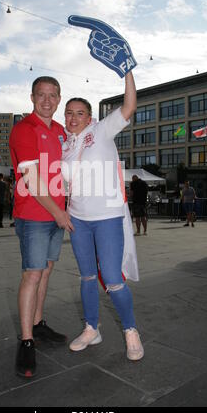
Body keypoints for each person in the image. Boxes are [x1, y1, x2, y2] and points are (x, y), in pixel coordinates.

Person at [61, 71, 144, 361]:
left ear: (89, 117)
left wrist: (128, 71)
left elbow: (129, 105)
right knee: (86, 276)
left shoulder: (101, 130)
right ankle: (91, 328)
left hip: (107, 216)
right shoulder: (65, 146)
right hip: (78, 220)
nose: (73, 118)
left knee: (111, 277)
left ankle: (131, 331)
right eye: (68, 113)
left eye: (79, 113)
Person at [9, 76, 73, 378]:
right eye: (41, 95)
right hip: (34, 215)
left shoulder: (61, 131)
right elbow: (32, 180)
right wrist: (60, 214)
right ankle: (26, 342)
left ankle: (37, 323)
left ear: (59, 99)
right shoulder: (24, 129)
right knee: (32, 274)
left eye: (52, 95)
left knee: (46, 270)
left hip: (55, 215)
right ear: (32, 97)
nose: (47, 101)